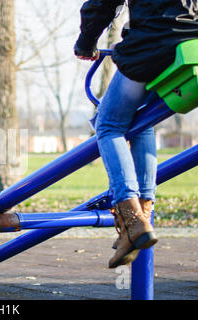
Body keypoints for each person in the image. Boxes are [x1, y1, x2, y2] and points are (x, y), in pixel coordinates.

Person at [74, 0, 198, 268]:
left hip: (154, 43)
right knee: (140, 122)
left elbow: (100, 4)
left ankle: (132, 217)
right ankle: (142, 217)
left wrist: (85, 43)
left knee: (108, 125)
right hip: (193, 46)